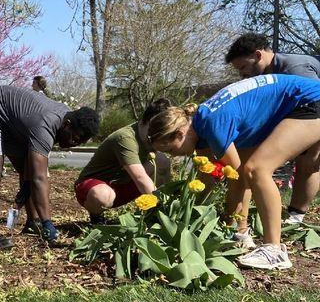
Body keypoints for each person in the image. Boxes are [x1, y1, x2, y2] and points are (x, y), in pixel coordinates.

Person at [147, 74, 320, 270]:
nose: (172, 156)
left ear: (180, 134)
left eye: (170, 150)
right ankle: (242, 233)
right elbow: (208, 178)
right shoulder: (201, 128)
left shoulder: (213, 124)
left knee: (256, 169)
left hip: (310, 101)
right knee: (248, 167)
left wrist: (230, 224)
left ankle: (274, 251)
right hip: (298, 104)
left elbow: (238, 179)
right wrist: (191, 213)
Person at [0, 85, 100, 249]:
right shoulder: (46, 124)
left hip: (11, 121)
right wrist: (48, 222)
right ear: (67, 125)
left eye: (80, 142)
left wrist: (29, 190)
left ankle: (33, 222)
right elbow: (39, 177)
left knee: (27, 168)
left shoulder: (66, 118)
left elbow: (33, 172)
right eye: (75, 138)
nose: (74, 144)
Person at [225, 32, 320, 224]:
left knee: (308, 162)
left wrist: (316, 150)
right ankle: (294, 215)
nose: (243, 74)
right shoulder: (268, 74)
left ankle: (296, 216)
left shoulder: (295, 68)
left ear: (258, 55)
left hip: (315, 111)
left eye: (244, 67)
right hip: (303, 113)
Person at [75, 98, 171, 224]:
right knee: (102, 195)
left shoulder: (152, 139)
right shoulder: (125, 137)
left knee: (162, 160)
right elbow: (140, 177)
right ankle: (96, 217)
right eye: (153, 129)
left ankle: (151, 216)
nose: (156, 135)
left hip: (123, 185)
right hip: (94, 187)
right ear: (144, 121)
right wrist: (165, 208)